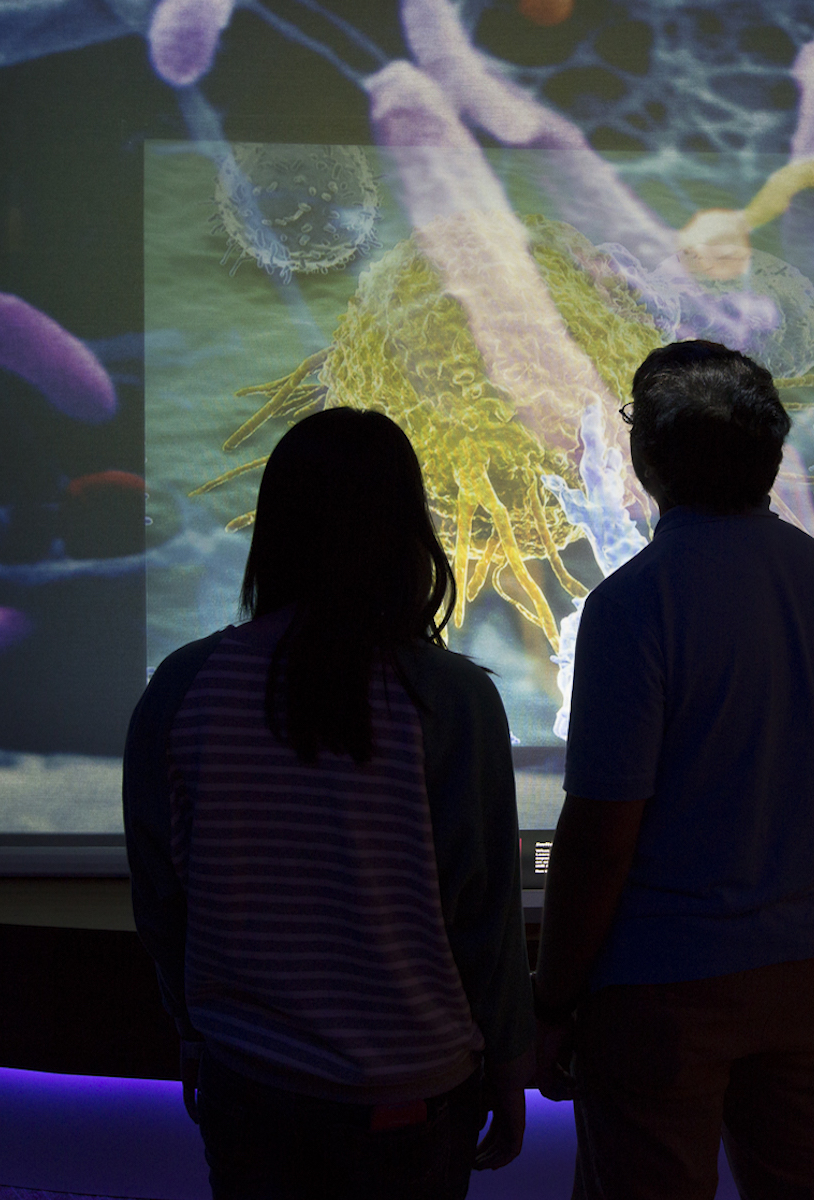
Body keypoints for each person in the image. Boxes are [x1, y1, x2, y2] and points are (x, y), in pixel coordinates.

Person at [125, 407, 534, 1200]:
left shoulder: (183, 687)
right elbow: (481, 914)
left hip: (248, 1078)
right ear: (406, 531)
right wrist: (511, 1061)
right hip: (411, 1090)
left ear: (273, 529)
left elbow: (162, 896)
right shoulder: (451, 698)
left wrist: (190, 1027)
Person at [531, 341, 814, 1200]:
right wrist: (812, 886)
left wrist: (552, 1001)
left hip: (666, 980)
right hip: (813, 962)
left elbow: (600, 834)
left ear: (646, 454)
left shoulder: (631, 607)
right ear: (770, 455)